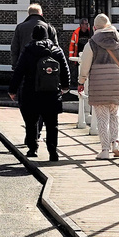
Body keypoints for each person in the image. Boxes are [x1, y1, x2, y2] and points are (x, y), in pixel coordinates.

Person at [11, 26, 70, 160]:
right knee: (52, 124)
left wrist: (12, 90)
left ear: (33, 35)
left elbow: (19, 71)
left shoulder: (28, 50)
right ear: (46, 36)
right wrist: (65, 87)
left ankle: (33, 149)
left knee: (31, 122)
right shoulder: (57, 50)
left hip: (31, 92)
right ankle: (53, 152)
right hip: (52, 93)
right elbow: (65, 70)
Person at [78, 14, 119, 159]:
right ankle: (116, 143)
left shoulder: (92, 43)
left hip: (99, 83)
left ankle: (105, 150)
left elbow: (85, 65)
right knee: (115, 113)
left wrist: (81, 81)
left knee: (102, 117)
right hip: (116, 81)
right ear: (109, 25)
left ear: (94, 27)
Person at [11, 4, 57, 69]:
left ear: (29, 14)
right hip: (44, 66)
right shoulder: (49, 27)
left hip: (25, 65)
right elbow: (55, 48)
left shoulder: (20, 27)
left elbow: (14, 48)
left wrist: (15, 65)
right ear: (41, 14)